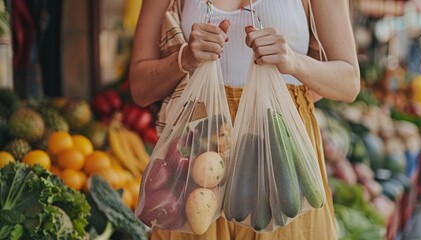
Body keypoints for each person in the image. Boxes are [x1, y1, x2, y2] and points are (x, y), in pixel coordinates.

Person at [129, 0, 360, 239]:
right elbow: (140, 89)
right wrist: (183, 58)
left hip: (283, 158)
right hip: (200, 158)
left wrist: (293, 61)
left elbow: (349, 83)